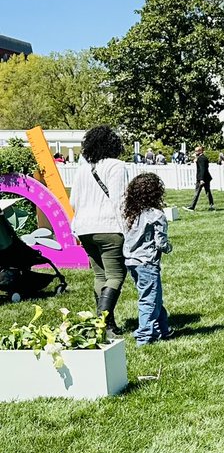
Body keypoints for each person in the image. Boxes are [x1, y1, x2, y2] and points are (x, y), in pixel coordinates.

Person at [69, 125, 130, 337]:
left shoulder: (83, 169)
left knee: (100, 275)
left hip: (84, 228)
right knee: (116, 275)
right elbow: (119, 200)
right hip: (109, 226)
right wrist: (127, 229)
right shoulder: (116, 166)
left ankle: (107, 324)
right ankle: (102, 320)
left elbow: (73, 200)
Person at [122, 172, 174, 345]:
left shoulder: (131, 213)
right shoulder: (156, 215)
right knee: (149, 299)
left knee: (154, 296)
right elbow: (160, 243)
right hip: (147, 262)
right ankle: (144, 336)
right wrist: (169, 248)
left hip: (131, 261)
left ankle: (164, 329)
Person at [185, 146, 215, 210]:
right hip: (206, 177)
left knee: (197, 192)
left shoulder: (201, 159)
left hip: (202, 178)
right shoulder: (203, 158)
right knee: (208, 192)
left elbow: (202, 169)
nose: (195, 152)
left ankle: (192, 207)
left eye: (196, 151)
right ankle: (211, 205)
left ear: (200, 151)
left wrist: (201, 179)